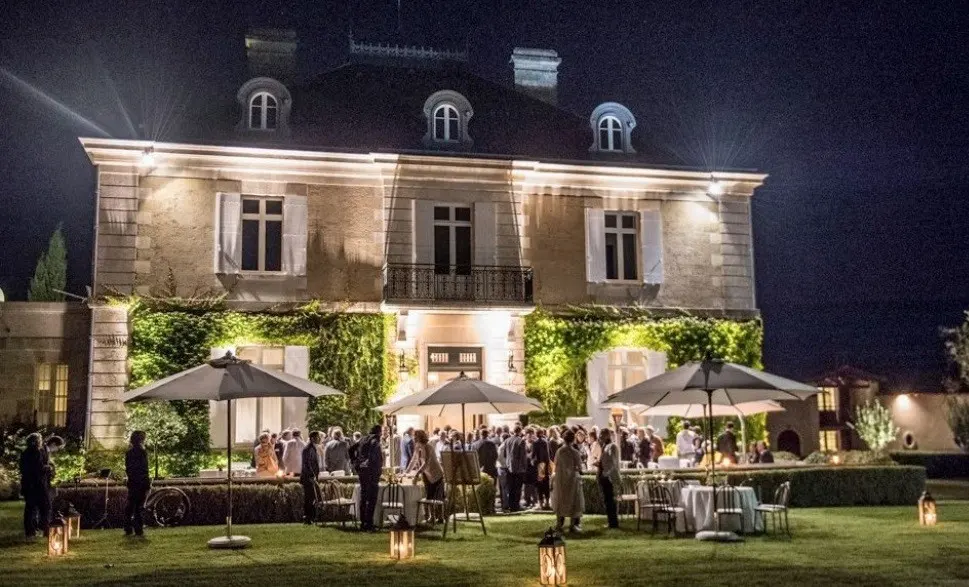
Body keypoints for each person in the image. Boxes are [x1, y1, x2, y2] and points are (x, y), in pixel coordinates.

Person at [405, 430, 445, 518]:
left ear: (421, 437)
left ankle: (441, 517)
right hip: (426, 474)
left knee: (438, 497)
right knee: (429, 496)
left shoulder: (428, 447)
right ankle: (431, 516)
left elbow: (426, 463)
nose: (414, 437)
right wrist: (406, 472)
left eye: (416, 436)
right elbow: (413, 460)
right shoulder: (417, 447)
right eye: (414, 436)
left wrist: (417, 473)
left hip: (436, 474)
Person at [18, 433, 51, 541]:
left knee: (30, 509)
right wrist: (48, 468)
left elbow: (23, 469)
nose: (41, 442)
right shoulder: (36, 452)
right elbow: (39, 468)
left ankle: (30, 531)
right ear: (36, 442)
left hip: (28, 485)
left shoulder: (25, 453)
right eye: (40, 440)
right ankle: (45, 529)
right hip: (39, 485)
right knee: (45, 507)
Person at [551, 429, 584, 533]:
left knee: (561, 500)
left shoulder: (559, 451)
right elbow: (579, 467)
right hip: (572, 480)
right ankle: (573, 524)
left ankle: (559, 524)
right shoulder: (575, 452)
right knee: (574, 500)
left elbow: (555, 465)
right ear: (573, 439)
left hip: (561, 479)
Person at [356, 425, 384, 532]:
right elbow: (375, 458)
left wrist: (357, 465)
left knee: (363, 498)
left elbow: (352, 450)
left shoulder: (363, 439)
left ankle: (363, 522)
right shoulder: (375, 442)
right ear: (379, 432)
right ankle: (369, 523)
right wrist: (378, 470)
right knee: (371, 499)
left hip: (362, 473)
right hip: (372, 474)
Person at [124, 430, 151, 537]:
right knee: (139, 506)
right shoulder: (142, 452)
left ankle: (127, 527)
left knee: (130, 505)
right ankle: (138, 528)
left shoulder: (129, 453)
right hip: (141, 482)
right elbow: (144, 468)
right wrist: (147, 482)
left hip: (133, 482)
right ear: (141, 440)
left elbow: (128, 468)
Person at [596, 429, 621, 529]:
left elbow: (614, 463)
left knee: (611, 501)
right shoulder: (604, 446)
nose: (600, 437)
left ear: (608, 435)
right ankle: (610, 521)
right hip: (604, 476)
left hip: (609, 477)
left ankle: (613, 523)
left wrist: (606, 474)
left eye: (602, 435)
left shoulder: (613, 446)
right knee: (607, 501)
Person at [500, 426, 527, 512]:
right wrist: (524, 467)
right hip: (519, 468)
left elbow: (504, 454)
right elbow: (523, 456)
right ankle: (516, 506)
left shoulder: (507, 440)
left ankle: (511, 505)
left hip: (509, 467)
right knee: (518, 487)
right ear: (520, 431)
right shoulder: (521, 441)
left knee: (511, 488)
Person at [300, 431, 322, 524]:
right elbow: (307, 464)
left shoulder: (312, 448)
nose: (319, 439)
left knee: (312, 497)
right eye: (317, 437)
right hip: (308, 477)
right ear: (312, 438)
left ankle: (311, 517)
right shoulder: (308, 449)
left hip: (311, 476)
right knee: (309, 498)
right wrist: (312, 475)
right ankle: (308, 517)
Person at [532, 427, 552, 510]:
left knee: (540, 485)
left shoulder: (535, 442)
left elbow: (533, 455)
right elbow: (548, 454)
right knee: (546, 485)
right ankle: (547, 502)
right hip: (545, 464)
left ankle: (541, 504)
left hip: (539, 465)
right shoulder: (546, 442)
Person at [496, 432, 510, 512]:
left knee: (503, 487)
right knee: (507, 487)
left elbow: (499, 458)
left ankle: (505, 505)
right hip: (508, 468)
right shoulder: (509, 445)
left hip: (502, 468)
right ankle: (507, 503)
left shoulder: (501, 447)